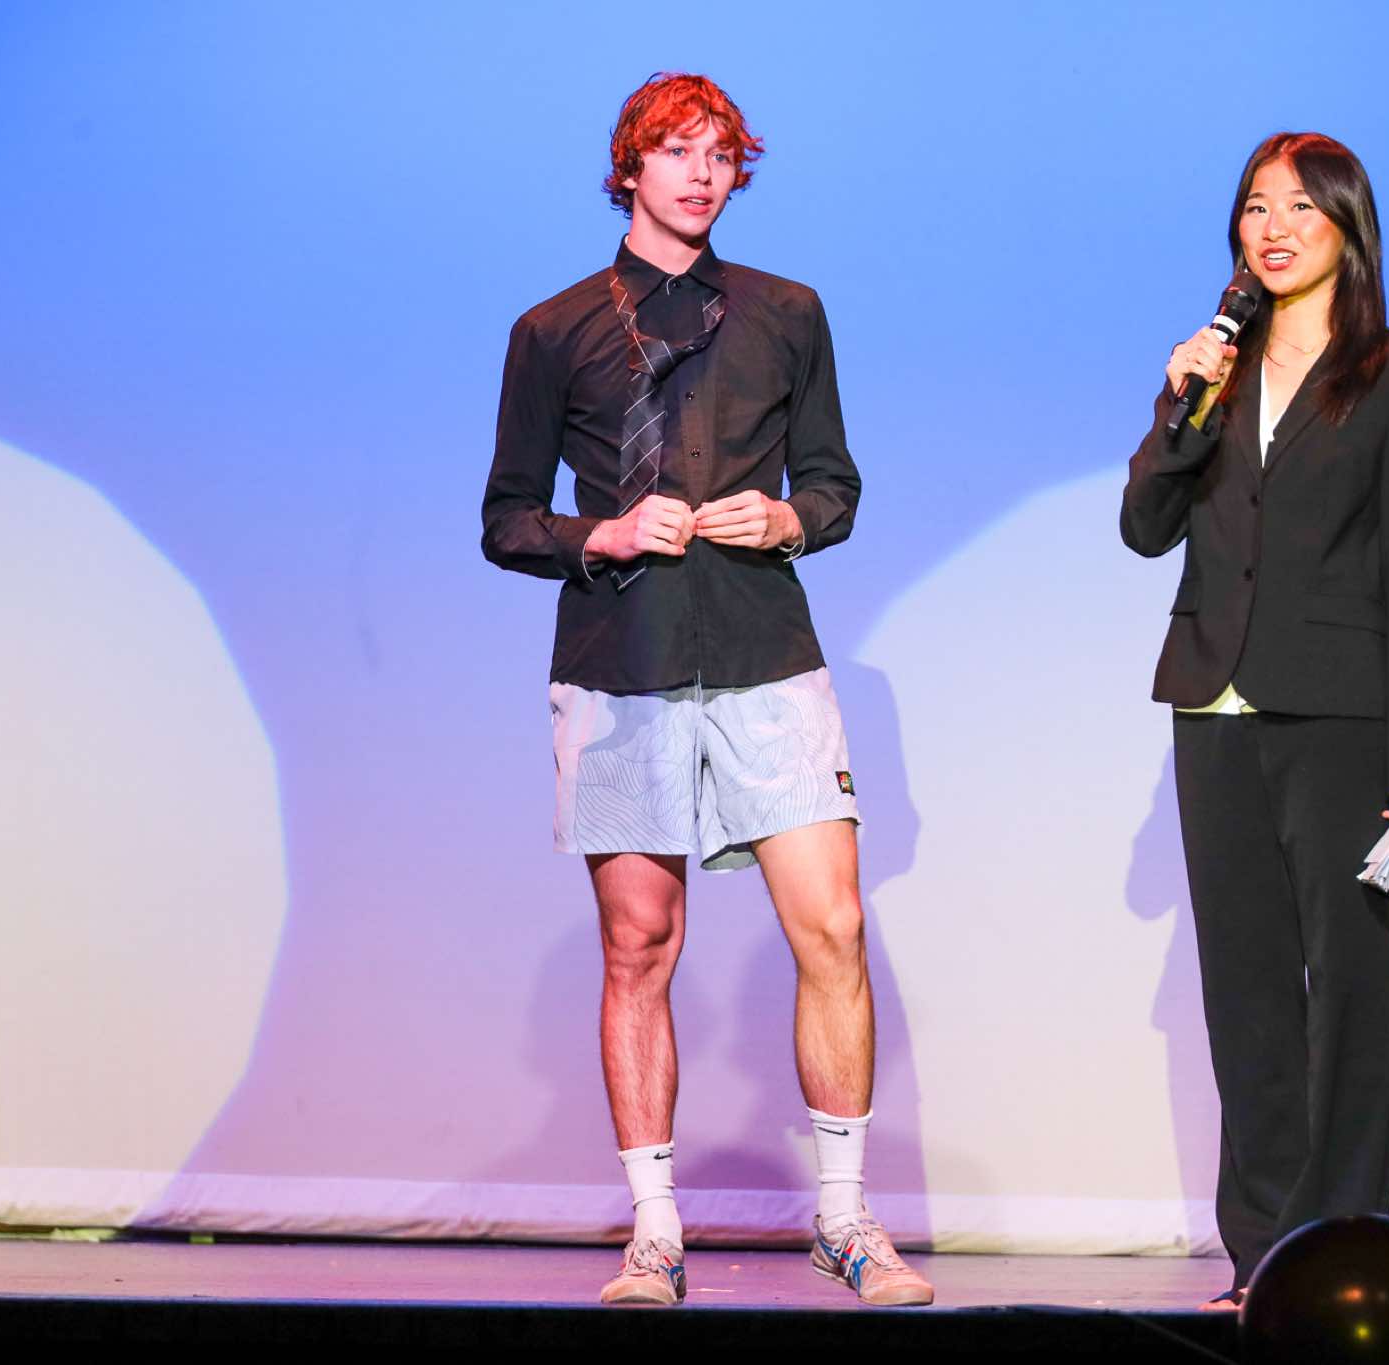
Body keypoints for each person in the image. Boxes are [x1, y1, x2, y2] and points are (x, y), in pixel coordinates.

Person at [481, 72, 933, 1309]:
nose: (698, 173)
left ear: (739, 173)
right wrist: (604, 534)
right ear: (628, 167)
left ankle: (844, 1218)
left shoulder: (786, 312)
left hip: (762, 653)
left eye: (719, 154)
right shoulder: (552, 329)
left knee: (831, 928)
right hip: (620, 663)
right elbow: (506, 518)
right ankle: (654, 1233)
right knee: (639, 943)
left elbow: (834, 484)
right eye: (674, 150)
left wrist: (789, 517)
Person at [1119, 132, 1389, 1310]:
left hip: (1340, 713)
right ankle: (1262, 1262)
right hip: (1211, 706)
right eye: (1255, 207)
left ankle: (1342, 1253)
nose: (1272, 229)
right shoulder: (1211, 368)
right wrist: (1182, 406)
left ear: (1347, 228)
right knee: (1246, 993)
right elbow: (1142, 529)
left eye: (1300, 209)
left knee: (1349, 987)